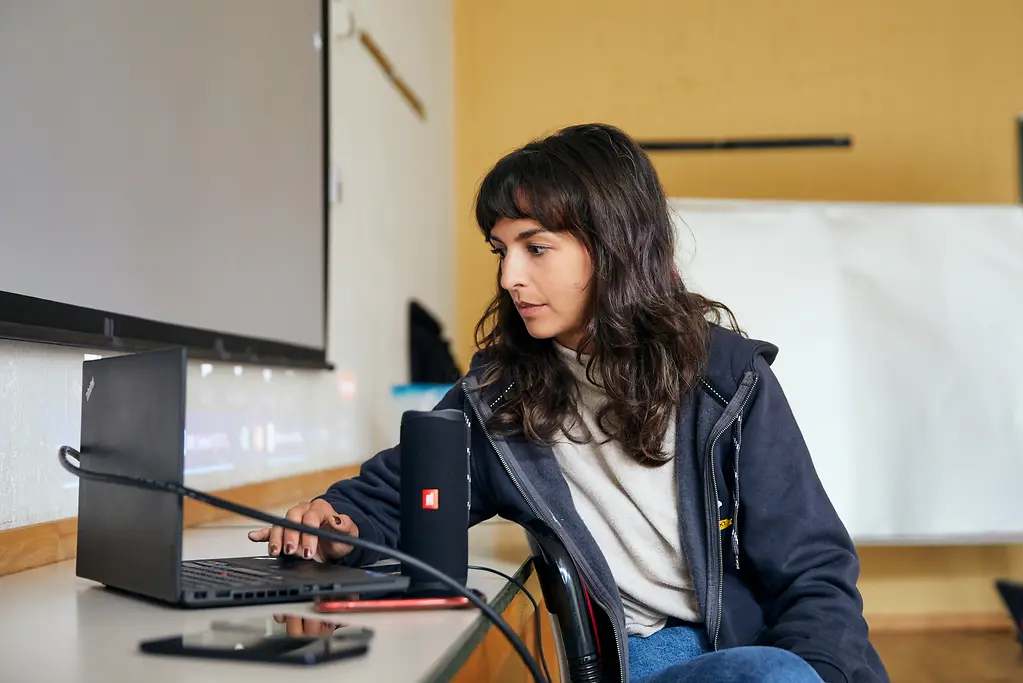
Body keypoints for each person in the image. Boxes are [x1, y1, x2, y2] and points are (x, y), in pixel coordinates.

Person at [248, 123, 890, 683]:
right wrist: (335, 526)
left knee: (773, 672)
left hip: (758, 647)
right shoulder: (500, 397)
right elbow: (399, 494)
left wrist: (817, 673)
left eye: (536, 247)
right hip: (645, 655)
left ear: (611, 246)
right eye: (502, 252)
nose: (509, 278)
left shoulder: (727, 380)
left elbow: (814, 571)